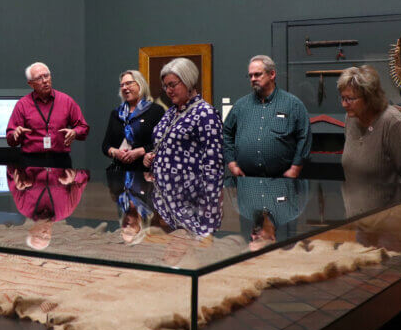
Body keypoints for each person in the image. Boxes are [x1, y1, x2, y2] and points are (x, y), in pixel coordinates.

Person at [143, 58, 224, 236]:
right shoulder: (171, 113)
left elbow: (214, 164)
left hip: (192, 205)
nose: (168, 91)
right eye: (165, 86)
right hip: (167, 205)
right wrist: (150, 158)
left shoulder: (206, 113)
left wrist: (209, 213)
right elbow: (166, 145)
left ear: (188, 81)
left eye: (172, 85)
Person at [337, 65, 401, 189]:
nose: (344, 104)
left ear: (368, 98)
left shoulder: (393, 122)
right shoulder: (351, 118)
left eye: (350, 99)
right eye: (343, 98)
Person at [223, 55, 311, 178]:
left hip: (281, 180)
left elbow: (304, 137)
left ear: (272, 74)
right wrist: (232, 164)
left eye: (257, 74)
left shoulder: (292, 104)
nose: (253, 79)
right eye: (250, 76)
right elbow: (226, 133)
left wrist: (295, 168)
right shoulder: (240, 105)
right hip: (246, 179)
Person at [6, 62, 89, 167]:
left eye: (46, 76)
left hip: (60, 161)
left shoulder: (66, 101)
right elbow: (10, 139)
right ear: (31, 84)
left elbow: (83, 127)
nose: (45, 81)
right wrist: (15, 134)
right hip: (31, 163)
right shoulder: (22, 105)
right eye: (39, 78)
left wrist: (75, 132)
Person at [101, 70, 165, 170]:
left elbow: (163, 142)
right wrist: (116, 152)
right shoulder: (117, 113)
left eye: (129, 83)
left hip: (145, 171)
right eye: (122, 85)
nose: (124, 87)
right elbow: (105, 146)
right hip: (119, 172)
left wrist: (140, 151)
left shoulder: (155, 111)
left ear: (140, 85)